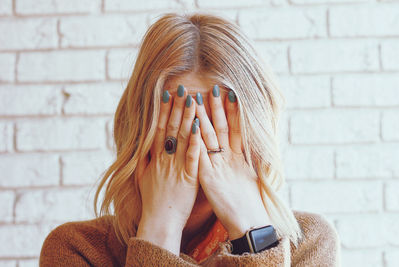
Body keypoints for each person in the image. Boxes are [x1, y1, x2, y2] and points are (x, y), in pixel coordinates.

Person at [39, 12, 341, 266]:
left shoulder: (309, 243)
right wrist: (160, 229)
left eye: (216, 129)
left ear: (254, 136)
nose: (198, 151)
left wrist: (254, 232)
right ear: (138, 133)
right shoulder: (76, 250)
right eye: (179, 130)